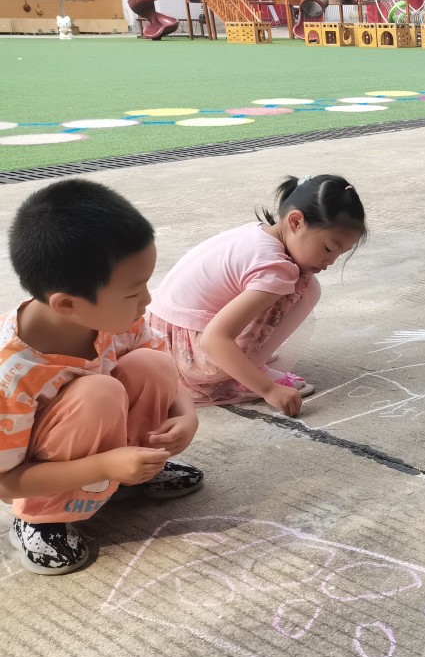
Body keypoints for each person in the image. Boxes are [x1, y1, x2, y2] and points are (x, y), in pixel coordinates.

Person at [1, 180, 201, 575]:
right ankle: (41, 519)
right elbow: (5, 483)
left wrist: (186, 414)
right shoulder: (12, 374)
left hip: (103, 453)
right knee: (99, 391)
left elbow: (162, 366)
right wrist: (104, 466)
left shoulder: (115, 319)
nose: (147, 300)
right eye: (133, 292)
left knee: (152, 364)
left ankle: (133, 476)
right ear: (68, 304)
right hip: (43, 474)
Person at [147, 175, 366, 416]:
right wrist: (268, 389)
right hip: (188, 357)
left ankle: (245, 362)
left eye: (339, 254)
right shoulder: (274, 267)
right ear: (296, 222)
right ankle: (245, 374)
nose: (331, 261)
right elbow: (214, 340)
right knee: (302, 286)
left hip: (157, 338)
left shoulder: (258, 232)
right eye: (328, 248)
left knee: (302, 281)